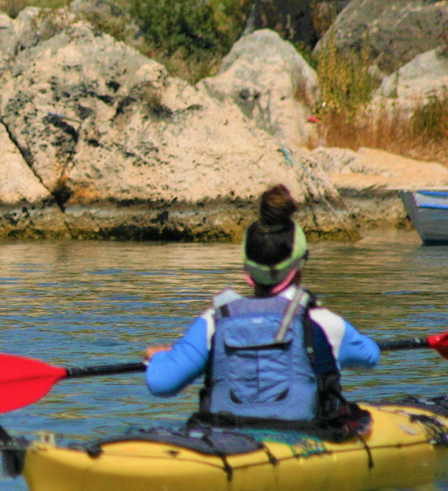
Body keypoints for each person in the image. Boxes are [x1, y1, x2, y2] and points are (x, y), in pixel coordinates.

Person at [143, 184, 380, 435]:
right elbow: (370, 355)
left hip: (226, 442)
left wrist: (159, 357)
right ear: (299, 266)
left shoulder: (214, 320)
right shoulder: (322, 322)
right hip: (305, 436)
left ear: (247, 271)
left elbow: (161, 383)